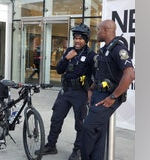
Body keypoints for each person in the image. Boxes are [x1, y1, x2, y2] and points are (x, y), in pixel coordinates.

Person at [35, 23, 96, 160]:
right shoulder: (69, 50)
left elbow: (95, 76)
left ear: (86, 40)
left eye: (80, 38)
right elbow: (59, 70)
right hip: (65, 91)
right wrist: (66, 58)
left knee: (80, 124)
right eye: (75, 38)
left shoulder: (91, 55)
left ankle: (77, 150)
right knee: (56, 119)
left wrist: (90, 91)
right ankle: (51, 146)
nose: (77, 41)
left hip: (80, 93)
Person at [81, 20, 135, 160]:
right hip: (98, 94)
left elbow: (130, 74)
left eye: (98, 30)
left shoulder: (118, 49)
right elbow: (102, 74)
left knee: (88, 128)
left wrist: (113, 97)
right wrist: (91, 89)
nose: (97, 32)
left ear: (105, 30)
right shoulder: (105, 49)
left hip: (108, 97)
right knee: (98, 133)